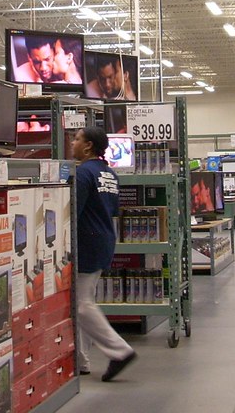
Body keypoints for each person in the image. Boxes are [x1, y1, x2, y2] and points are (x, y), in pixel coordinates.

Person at [71, 126, 137, 381]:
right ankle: (81, 360)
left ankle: (120, 351)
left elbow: (73, 211)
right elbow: (112, 209)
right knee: (85, 298)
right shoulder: (108, 173)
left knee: (81, 304)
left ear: (88, 146)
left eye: (77, 139)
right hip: (104, 238)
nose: (73, 143)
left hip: (86, 240)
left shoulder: (83, 174)